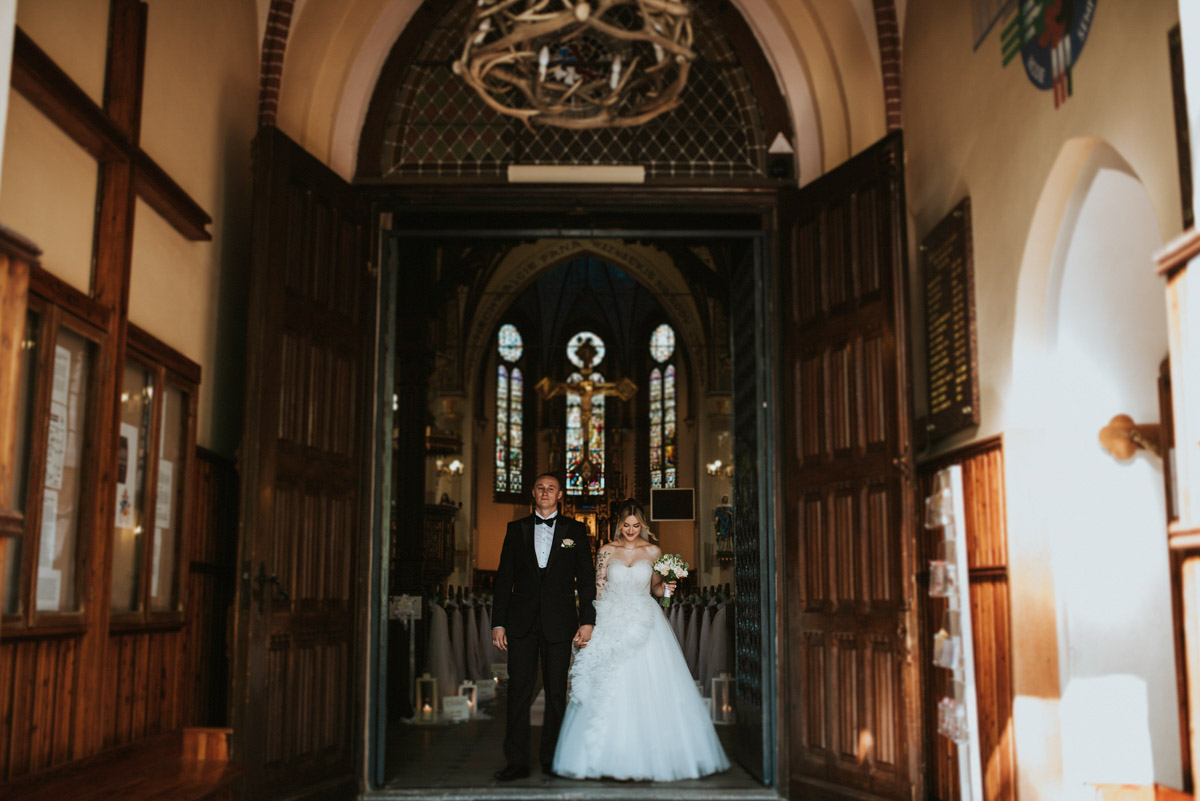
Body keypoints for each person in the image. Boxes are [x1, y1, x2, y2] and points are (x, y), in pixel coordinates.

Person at [552, 499, 730, 781]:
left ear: (642, 525)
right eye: (626, 525)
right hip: (611, 618)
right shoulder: (606, 551)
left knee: (649, 683)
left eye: (636, 525)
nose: (631, 530)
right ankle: (603, 755)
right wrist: (591, 626)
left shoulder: (654, 551)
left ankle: (651, 755)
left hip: (645, 621)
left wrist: (669, 586)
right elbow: (597, 591)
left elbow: (658, 591)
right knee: (607, 683)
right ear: (618, 525)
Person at [491, 473, 596, 781]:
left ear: (560, 494)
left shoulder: (576, 530)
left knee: (555, 695)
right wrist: (498, 622)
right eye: (540, 488)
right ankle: (516, 762)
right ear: (533, 494)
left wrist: (588, 620)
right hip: (520, 624)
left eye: (551, 488)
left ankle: (554, 760)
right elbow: (503, 580)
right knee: (519, 693)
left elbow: (587, 580)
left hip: (560, 624)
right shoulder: (515, 529)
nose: (546, 492)